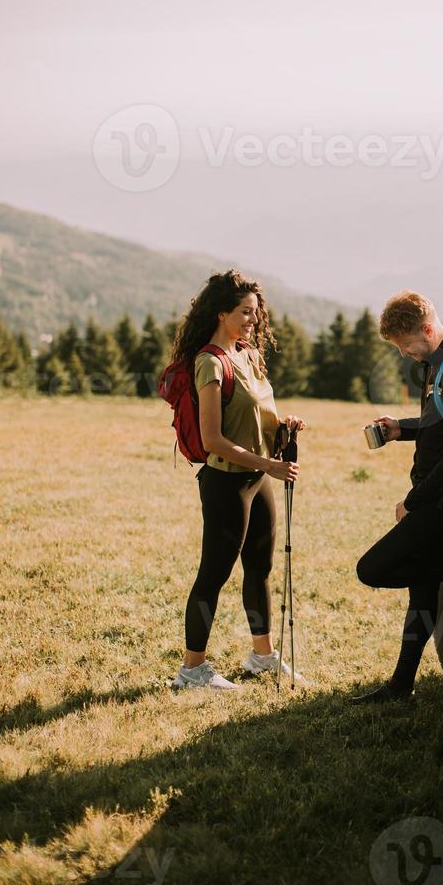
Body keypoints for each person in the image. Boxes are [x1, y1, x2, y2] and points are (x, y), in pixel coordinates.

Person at [170, 269, 305, 691]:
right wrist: (268, 466)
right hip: (227, 481)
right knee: (214, 572)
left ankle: (262, 656)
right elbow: (214, 440)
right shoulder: (210, 363)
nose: (253, 318)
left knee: (259, 569)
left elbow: (255, 419)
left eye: (255, 311)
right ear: (221, 313)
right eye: (245, 312)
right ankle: (192, 669)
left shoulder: (249, 355)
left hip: (258, 475)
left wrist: (283, 428)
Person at [353, 291, 443, 703]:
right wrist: (401, 428)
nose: (405, 354)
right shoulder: (438, 362)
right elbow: (438, 424)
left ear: (428, 329)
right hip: (435, 495)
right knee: (421, 597)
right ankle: (401, 685)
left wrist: (412, 502)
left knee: (372, 569)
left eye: (405, 344)